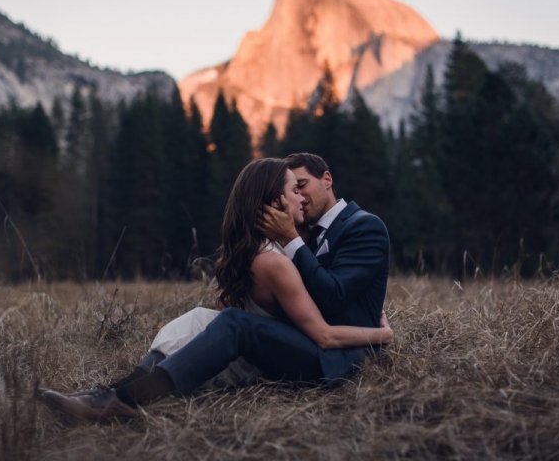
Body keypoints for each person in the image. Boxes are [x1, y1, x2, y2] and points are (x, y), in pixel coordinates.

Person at [38, 154, 390, 421]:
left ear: (327, 179)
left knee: (234, 323)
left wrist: (382, 335)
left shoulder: (362, 228)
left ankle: (123, 401)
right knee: (197, 319)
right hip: (305, 337)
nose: (300, 196)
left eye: (303, 185)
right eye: (292, 189)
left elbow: (333, 299)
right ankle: (107, 395)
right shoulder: (295, 238)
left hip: (336, 356)